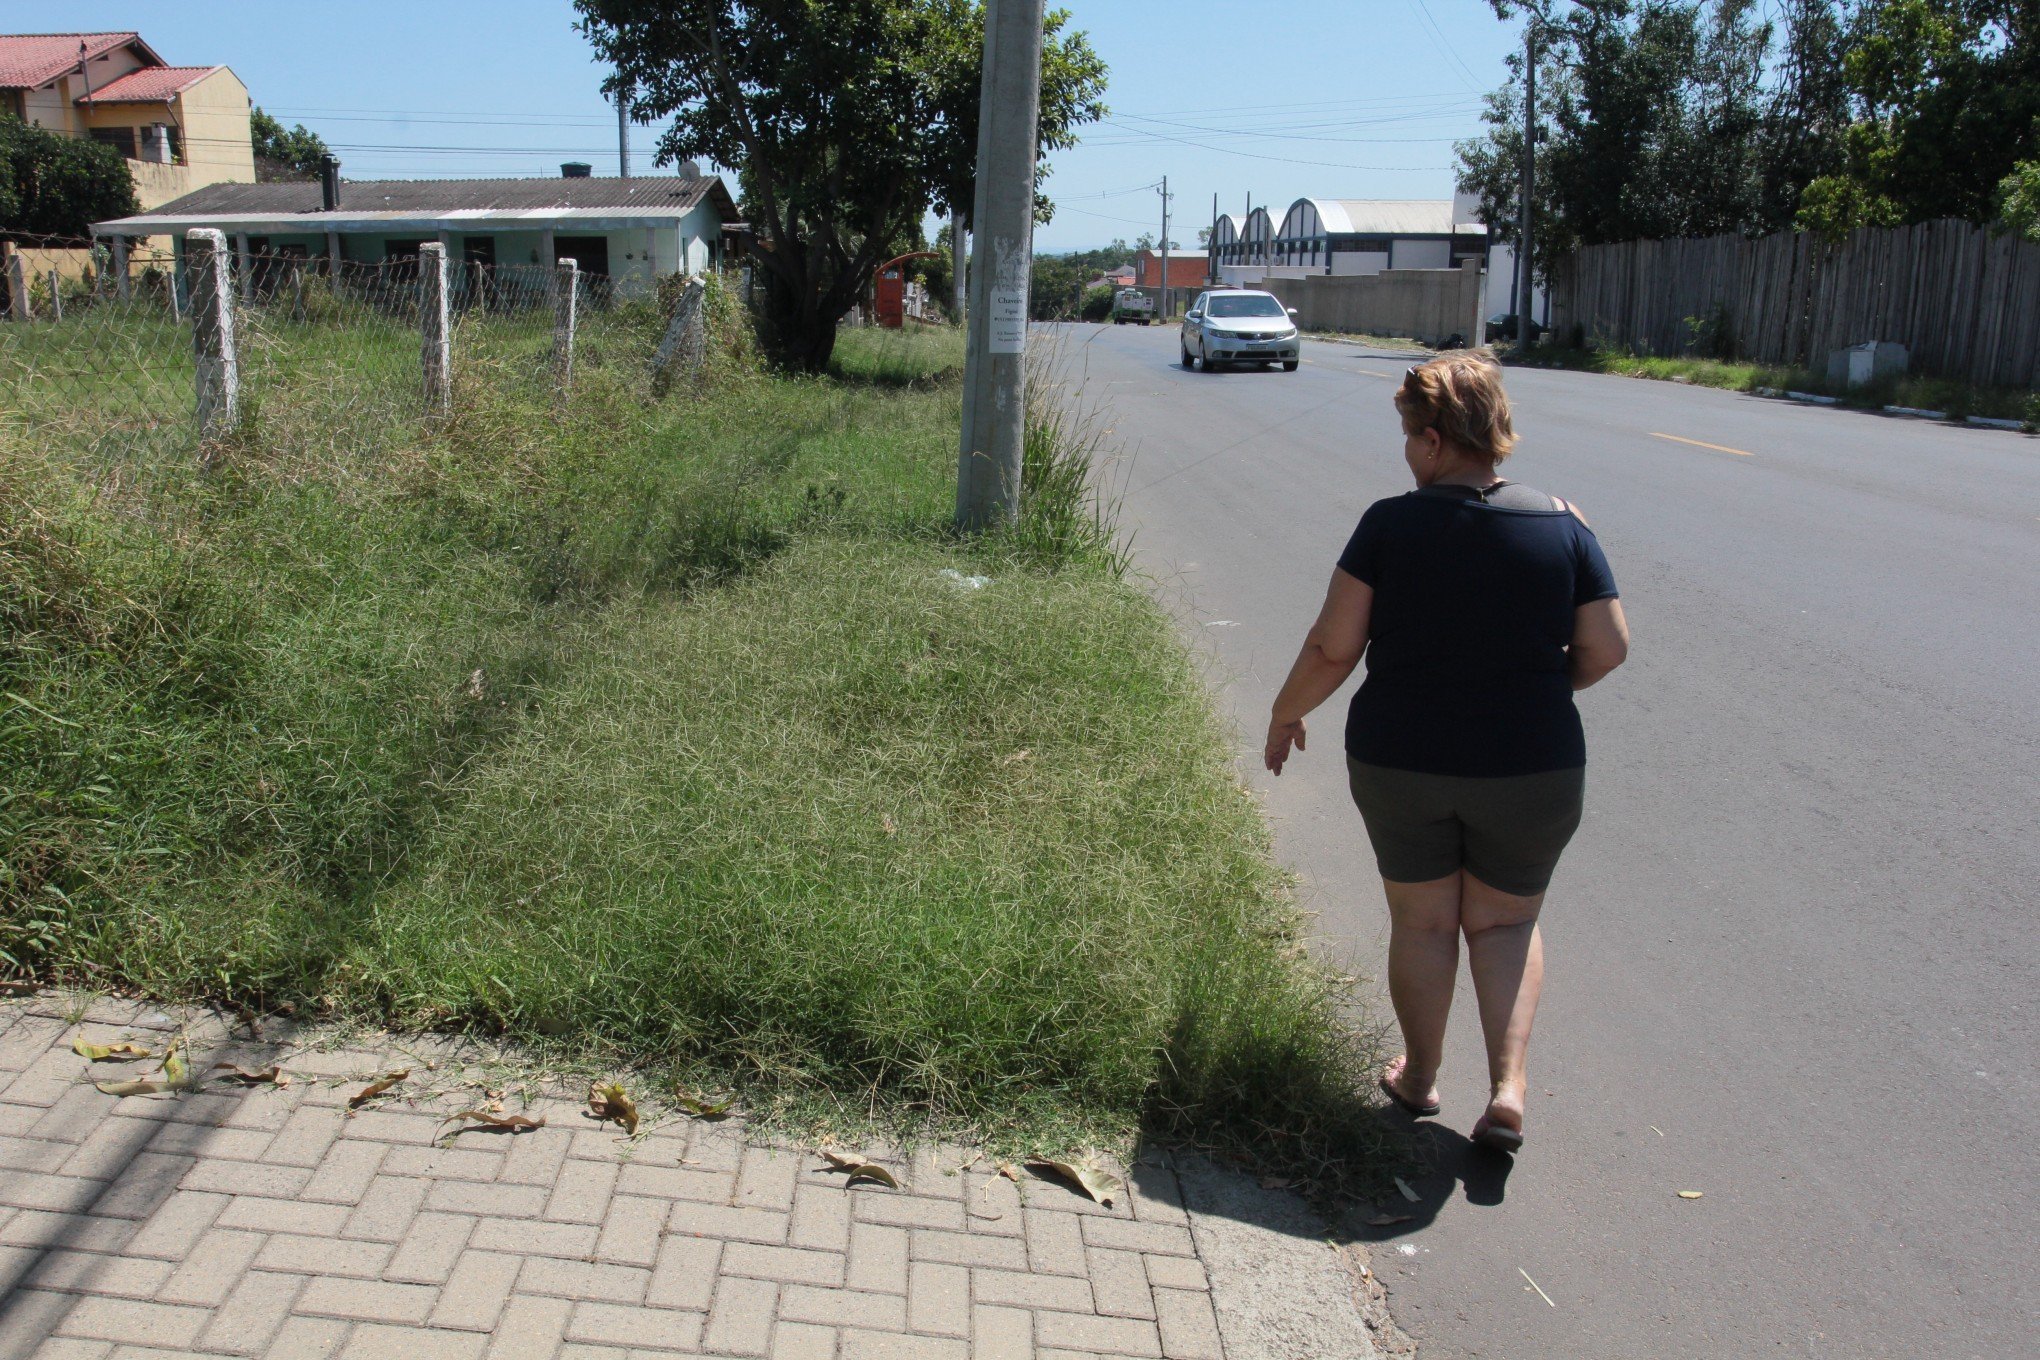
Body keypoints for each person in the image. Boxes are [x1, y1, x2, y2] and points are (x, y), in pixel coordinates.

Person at [1262, 351, 1629, 1152]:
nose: (1404, 451)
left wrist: (1286, 713)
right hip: (1533, 764)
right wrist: (1530, 689)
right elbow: (1607, 648)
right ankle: (1508, 1088)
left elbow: (1332, 647)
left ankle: (1420, 1076)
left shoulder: (1391, 524)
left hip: (1403, 759)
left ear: (1433, 440)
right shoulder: (1564, 524)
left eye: (1406, 435)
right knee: (1504, 924)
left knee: (1425, 922)